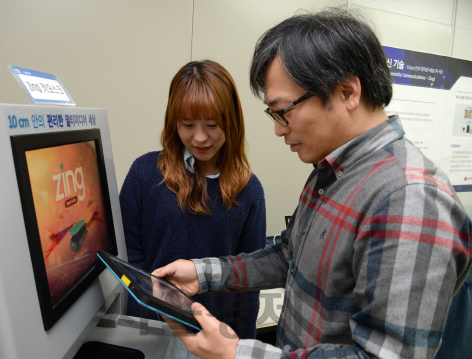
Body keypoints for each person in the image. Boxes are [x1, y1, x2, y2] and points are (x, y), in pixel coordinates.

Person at [152, 8, 472, 359]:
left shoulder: (411, 198)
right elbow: (291, 255)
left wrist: (235, 353)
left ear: (347, 92)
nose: (278, 128)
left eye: (284, 111)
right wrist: (203, 273)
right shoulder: (331, 170)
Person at [119, 60, 266, 354]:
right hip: (150, 333)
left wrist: (240, 347)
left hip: (215, 340)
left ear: (231, 121)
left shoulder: (248, 190)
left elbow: (248, 282)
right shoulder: (144, 173)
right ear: (174, 121)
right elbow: (128, 262)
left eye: (212, 125)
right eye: (188, 125)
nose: (200, 138)